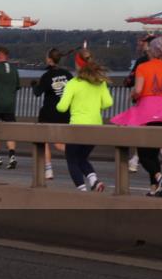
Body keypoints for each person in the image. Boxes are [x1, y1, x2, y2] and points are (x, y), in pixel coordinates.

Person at [111, 37, 162, 197]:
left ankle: (159, 177)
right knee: (153, 151)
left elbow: (139, 89)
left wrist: (133, 94)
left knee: (143, 153)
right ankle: (155, 188)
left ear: (152, 51)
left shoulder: (143, 67)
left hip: (147, 112)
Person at [56, 49, 113, 192]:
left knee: (72, 158)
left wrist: (58, 104)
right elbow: (108, 103)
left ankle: (82, 191)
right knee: (82, 158)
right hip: (96, 127)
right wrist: (94, 104)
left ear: (78, 64)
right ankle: (94, 181)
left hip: (77, 128)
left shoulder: (73, 83)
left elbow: (62, 107)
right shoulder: (100, 82)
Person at [123, 35, 162, 173]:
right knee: (152, 141)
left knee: (141, 140)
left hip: (146, 108)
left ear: (150, 48)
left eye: (145, 44)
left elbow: (136, 87)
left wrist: (133, 93)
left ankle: (151, 164)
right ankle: (155, 169)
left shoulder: (142, 64)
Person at [31, 48, 73, 180]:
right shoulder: (67, 74)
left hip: (49, 113)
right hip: (66, 113)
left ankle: (48, 170)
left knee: (44, 141)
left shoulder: (47, 76)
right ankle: (77, 154)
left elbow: (37, 93)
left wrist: (34, 85)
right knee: (59, 144)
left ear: (49, 59)